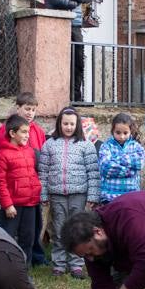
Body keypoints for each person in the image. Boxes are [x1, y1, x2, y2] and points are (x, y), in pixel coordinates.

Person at [38, 107, 101, 279]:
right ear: (59, 123)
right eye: (65, 123)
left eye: (72, 124)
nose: (68, 127)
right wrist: (43, 195)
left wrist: (93, 196)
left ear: (77, 125)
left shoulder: (86, 145)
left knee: (78, 229)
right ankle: (58, 264)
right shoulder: (49, 144)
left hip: (78, 194)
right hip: (57, 195)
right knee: (59, 229)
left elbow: (93, 173)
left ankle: (76, 265)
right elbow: (43, 172)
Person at [0, 92, 48, 265]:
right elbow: (0, 179)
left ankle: (28, 266)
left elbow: (37, 163)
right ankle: (4, 266)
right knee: (9, 233)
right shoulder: (5, 134)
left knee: (31, 232)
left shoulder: (36, 134)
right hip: (14, 199)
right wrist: (7, 203)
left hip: (31, 198)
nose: (30, 112)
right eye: (27, 108)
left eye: (33, 109)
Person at [43, 0, 95, 101]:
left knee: (78, 62)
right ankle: (57, 98)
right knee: (57, 62)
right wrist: (74, 3)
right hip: (56, 23)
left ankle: (76, 98)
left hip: (75, 25)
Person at [98, 113, 145, 204]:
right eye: (118, 132)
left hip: (131, 196)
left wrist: (116, 159)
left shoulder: (136, 146)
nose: (121, 136)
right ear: (113, 131)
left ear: (130, 132)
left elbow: (140, 162)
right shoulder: (106, 146)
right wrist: (130, 171)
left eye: (125, 133)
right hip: (109, 197)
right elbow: (105, 168)